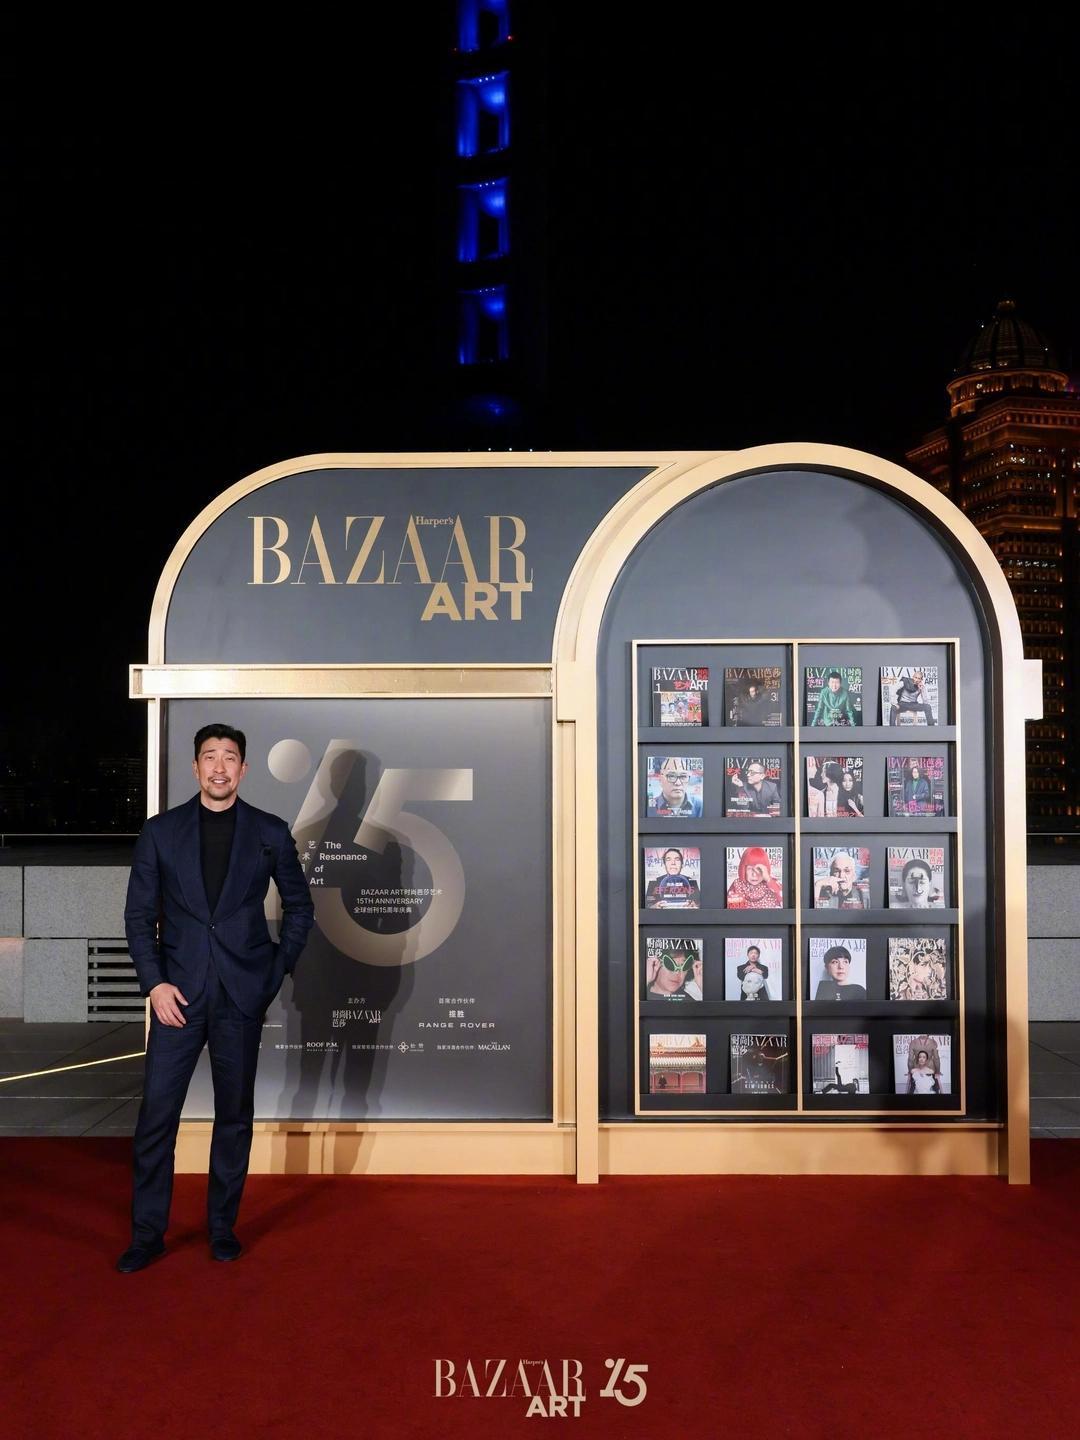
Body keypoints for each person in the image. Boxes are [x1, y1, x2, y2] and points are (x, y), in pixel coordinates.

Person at [118, 724, 314, 1273]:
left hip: (240, 996)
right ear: (196, 767)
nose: (220, 767)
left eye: (230, 757)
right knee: (157, 1117)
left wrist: (274, 970)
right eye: (210, 757)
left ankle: (222, 1227)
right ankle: (147, 1235)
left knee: (234, 1117)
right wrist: (155, 984)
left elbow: (300, 907)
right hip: (175, 996)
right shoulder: (161, 832)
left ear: (243, 769)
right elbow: (138, 916)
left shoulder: (270, 832)